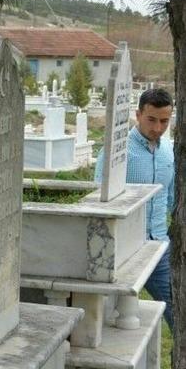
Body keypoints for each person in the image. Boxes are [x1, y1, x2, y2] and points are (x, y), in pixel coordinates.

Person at [95, 88, 175, 328]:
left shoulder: (168, 150)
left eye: (164, 121)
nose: (158, 128)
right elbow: (98, 197)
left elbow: (171, 198)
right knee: (109, 316)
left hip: (159, 245)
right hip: (124, 248)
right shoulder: (117, 152)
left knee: (177, 308)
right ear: (138, 114)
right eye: (151, 120)